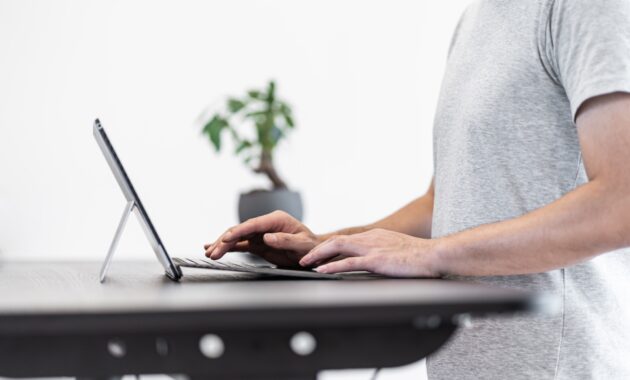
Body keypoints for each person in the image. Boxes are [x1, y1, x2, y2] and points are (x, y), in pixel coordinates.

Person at [205, 0, 630, 378]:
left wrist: (431, 255)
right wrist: (325, 246)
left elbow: (621, 202)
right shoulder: (477, 19)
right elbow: (442, 200)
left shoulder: (585, 7)